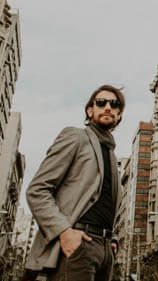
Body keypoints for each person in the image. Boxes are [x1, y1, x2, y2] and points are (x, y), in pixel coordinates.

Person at [25, 85, 124, 281]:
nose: (107, 107)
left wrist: (111, 240)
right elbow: (37, 190)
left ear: (119, 114)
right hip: (78, 244)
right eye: (101, 102)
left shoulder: (111, 155)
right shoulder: (76, 137)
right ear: (90, 110)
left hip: (104, 250)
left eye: (114, 104)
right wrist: (64, 231)